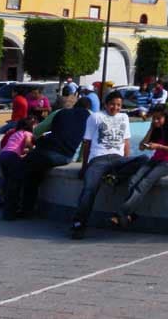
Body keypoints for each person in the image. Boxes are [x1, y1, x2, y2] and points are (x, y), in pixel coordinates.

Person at [4, 98, 92, 220]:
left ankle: (11, 210)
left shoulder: (60, 112)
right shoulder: (91, 118)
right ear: (88, 108)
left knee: (17, 172)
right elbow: (87, 143)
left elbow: (38, 130)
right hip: (65, 157)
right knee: (35, 175)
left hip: (47, 151)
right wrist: (80, 160)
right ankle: (27, 210)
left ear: (74, 105)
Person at [108, 103, 168, 229]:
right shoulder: (156, 128)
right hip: (155, 160)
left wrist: (159, 146)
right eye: (154, 118)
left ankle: (120, 214)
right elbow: (141, 147)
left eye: (158, 118)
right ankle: (130, 216)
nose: (155, 120)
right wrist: (151, 130)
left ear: (166, 117)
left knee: (144, 183)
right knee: (133, 180)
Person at [70, 90, 131, 239]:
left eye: (118, 105)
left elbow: (126, 141)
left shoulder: (124, 117)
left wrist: (126, 161)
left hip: (118, 159)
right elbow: (87, 142)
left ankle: (115, 177)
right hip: (99, 159)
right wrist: (85, 166)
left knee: (143, 160)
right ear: (105, 104)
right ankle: (79, 224)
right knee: (89, 189)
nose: (115, 108)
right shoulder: (95, 117)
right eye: (112, 104)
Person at [0, 118, 35, 202]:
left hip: (3, 155)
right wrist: (33, 149)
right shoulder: (27, 133)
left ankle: (2, 199)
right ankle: (13, 202)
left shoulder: (15, 133)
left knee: (7, 178)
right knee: (15, 180)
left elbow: (13, 146)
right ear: (30, 126)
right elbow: (28, 143)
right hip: (12, 156)